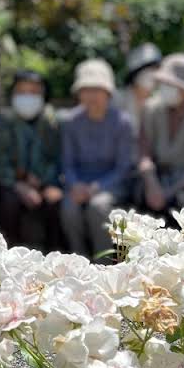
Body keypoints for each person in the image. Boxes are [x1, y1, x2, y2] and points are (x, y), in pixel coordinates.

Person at [60, 59, 135, 258]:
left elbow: (123, 167)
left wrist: (95, 188)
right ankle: (79, 258)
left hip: (112, 184)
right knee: (69, 207)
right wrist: (75, 185)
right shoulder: (70, 122)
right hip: (79, 183)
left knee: (98, 206)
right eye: (86, 89)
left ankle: (107, 261)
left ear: (108, 92)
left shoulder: (122, 123)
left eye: (97, 89)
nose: (92, 95)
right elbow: (67, 163)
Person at [0, 70, 63, 249]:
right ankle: (10, 252)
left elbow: (56, 157)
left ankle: (54, 254)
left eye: (34, 92)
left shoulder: (51, 120)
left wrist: (43, 181)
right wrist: (19, 185)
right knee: (9, 203)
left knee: (55, 202)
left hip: (43, 181)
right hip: (12, 182)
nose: (27, 97)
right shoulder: (4, 120)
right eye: (21, 92)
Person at [137, 53, 184, 213]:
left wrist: (170, 190)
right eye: (164, 83)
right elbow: (143, 152)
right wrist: (152, 184)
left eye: (172, 84)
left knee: (182, 205)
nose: (165, 88)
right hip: (154, 175)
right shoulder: (150, 109)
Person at [120, 43, 162, 127]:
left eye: (155, 68)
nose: (152, 74)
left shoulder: (160, 103)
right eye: (148, 69)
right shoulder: (117, 100)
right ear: (135, 75)